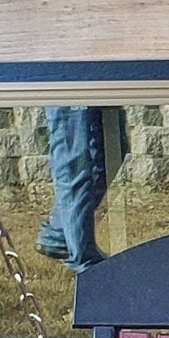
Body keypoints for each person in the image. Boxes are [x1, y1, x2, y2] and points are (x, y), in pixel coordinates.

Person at [38, 106, 109, 272]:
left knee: (112, 143)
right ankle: (87, 265)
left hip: (98, 82)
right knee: (76, 164)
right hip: (68, 87)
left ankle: (59, 233)